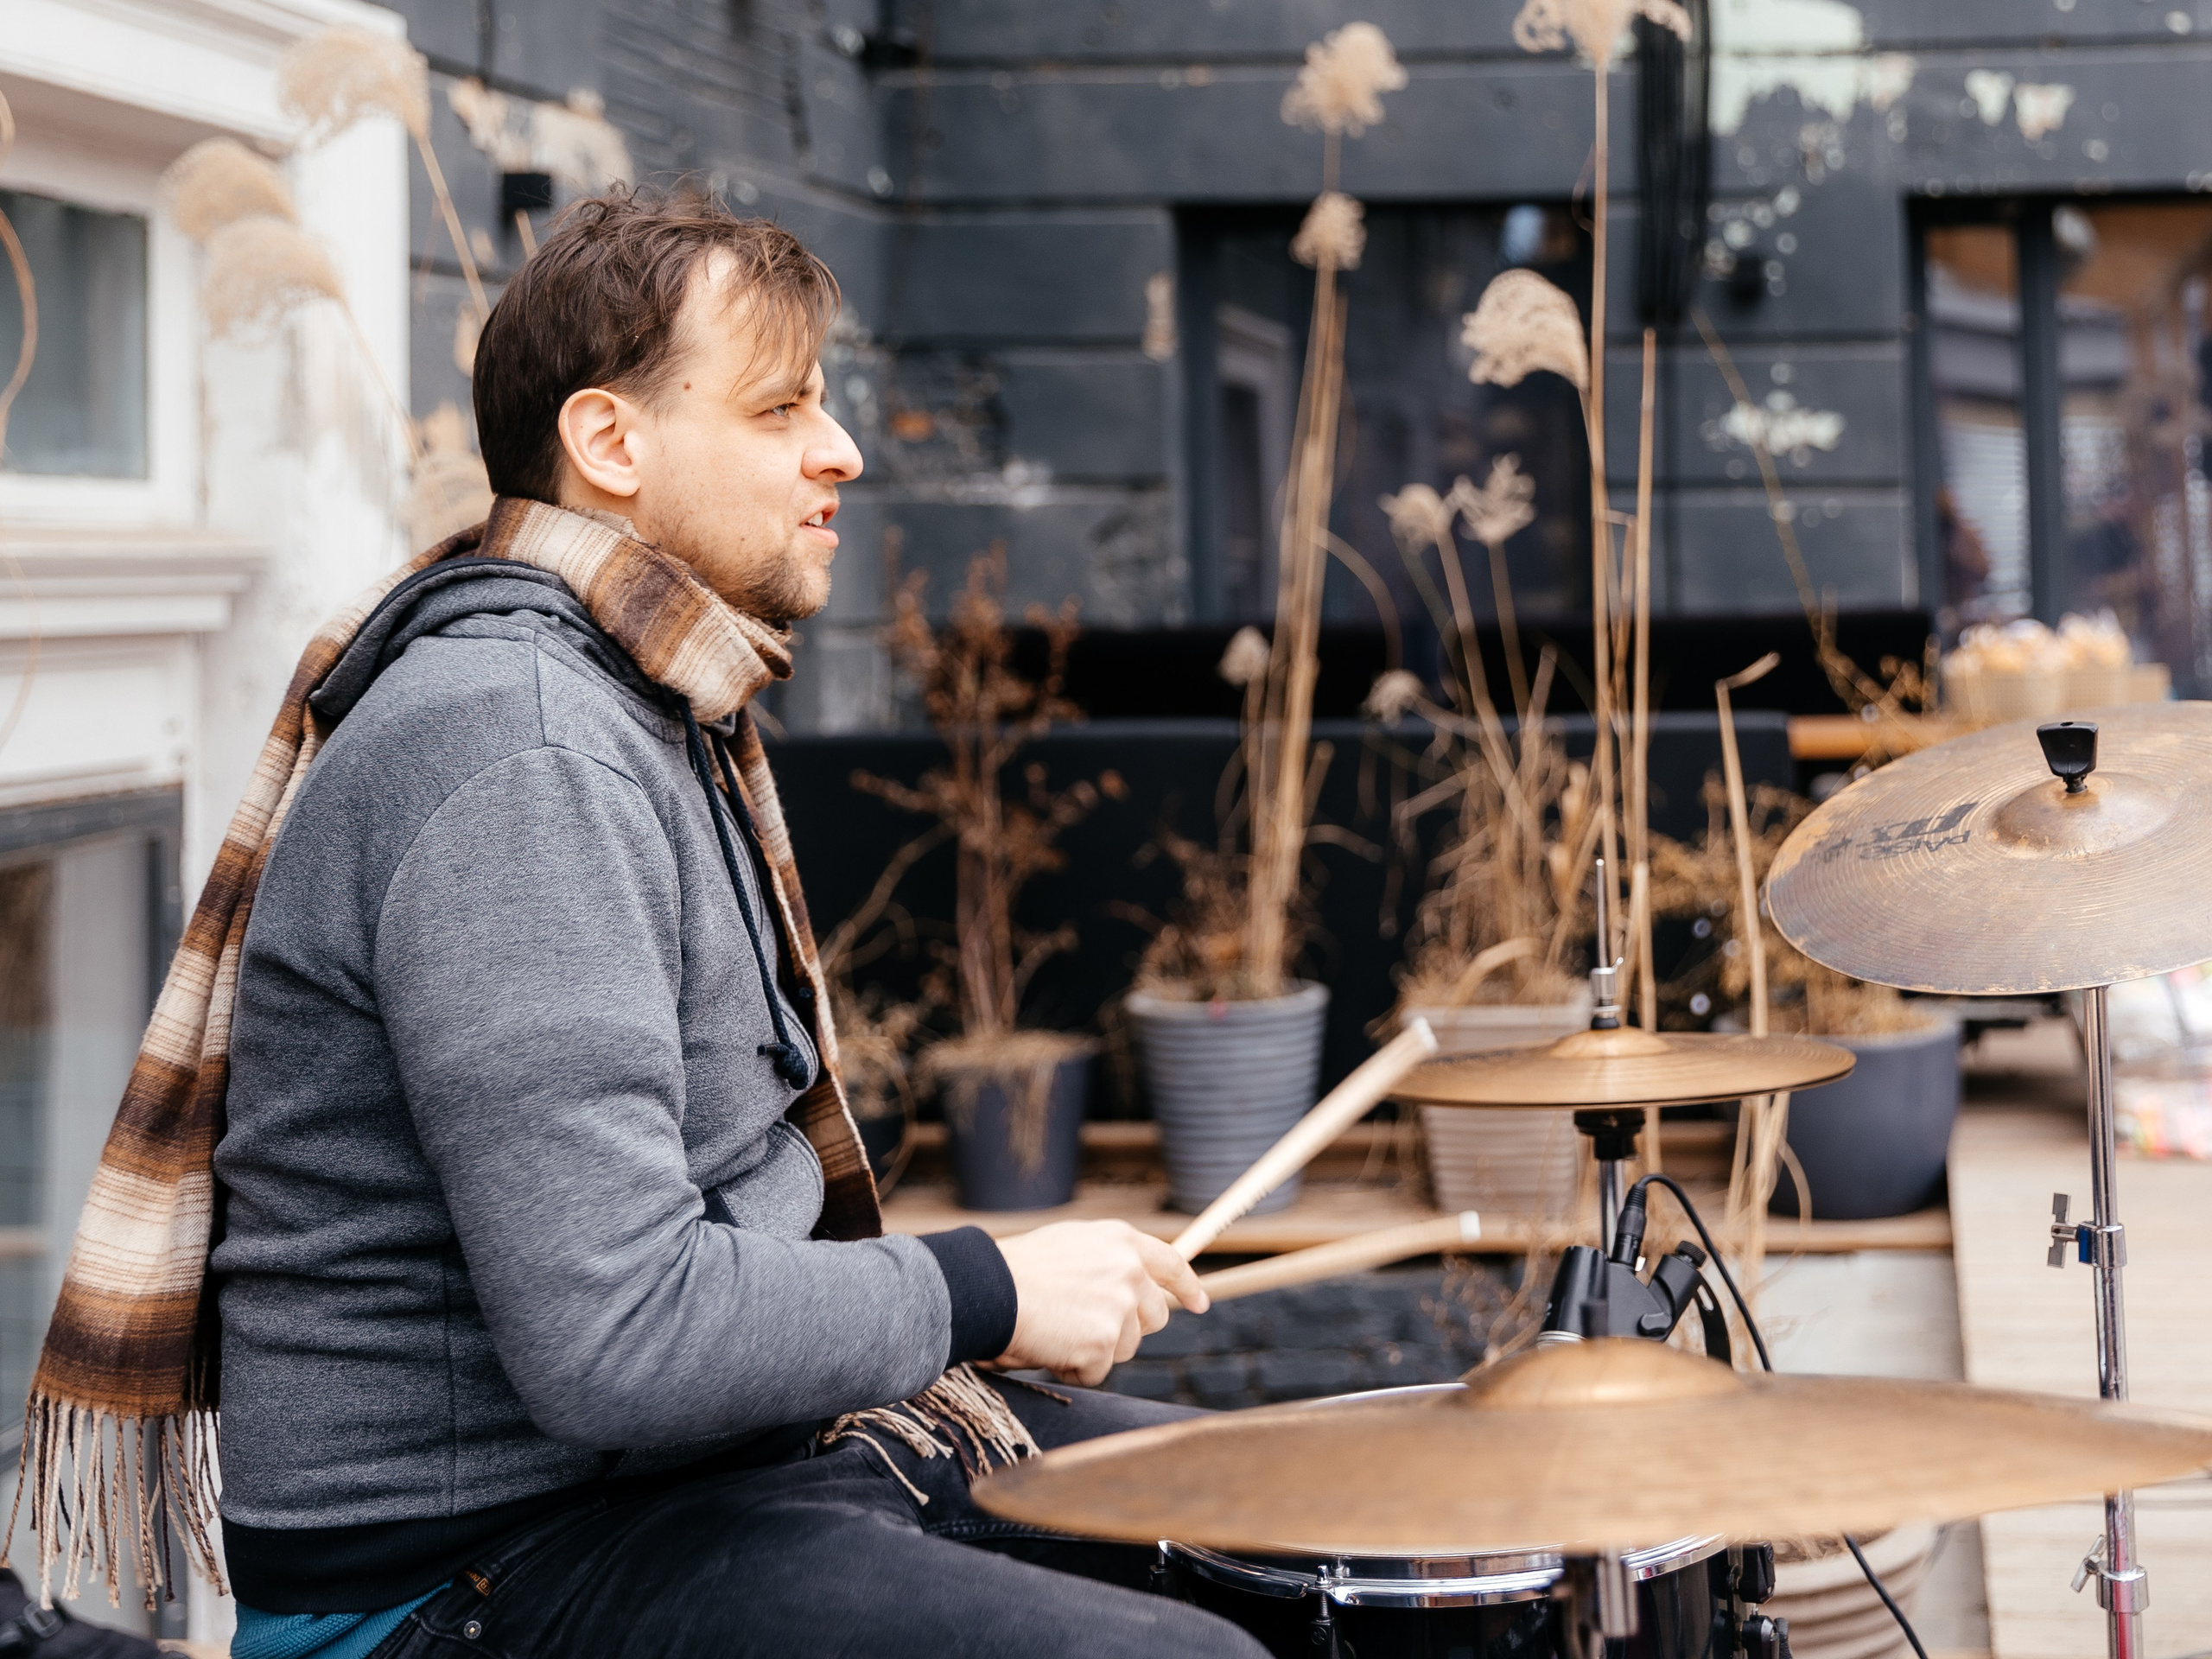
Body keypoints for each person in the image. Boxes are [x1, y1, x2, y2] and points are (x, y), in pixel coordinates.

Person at [13, 188, 1267, 1659]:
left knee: (1264, 1515)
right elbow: (615, 1332)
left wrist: (982, 1293)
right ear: (610, 444)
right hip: (467, 1575)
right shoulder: (520, 743)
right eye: (781, 407)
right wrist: (986, 1290)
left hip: (686, 1477)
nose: (843, 450)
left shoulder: (642, 703)